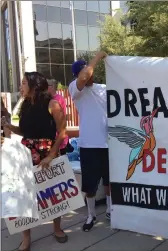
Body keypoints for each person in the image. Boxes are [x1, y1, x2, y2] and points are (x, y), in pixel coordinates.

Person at [2, 72, 68, 251]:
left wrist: (51, 155)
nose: (20, 86)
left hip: (47, 153)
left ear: (34, 85)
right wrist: (10, 127)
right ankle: (26, 238)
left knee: (53, 194)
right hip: (26, 154)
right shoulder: (25, 105)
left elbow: (62, 132)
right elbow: (25, 132)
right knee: (23, 196)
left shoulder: (52, 104)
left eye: (23, 83)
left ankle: (57, 228)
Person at [68, 51, 110, 232]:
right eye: (84, 70)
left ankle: (110, 209)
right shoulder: (75, 88)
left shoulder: (104, 88)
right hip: (88, 145)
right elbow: (85, 76)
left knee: (109, 181)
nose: (88, 73)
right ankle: (91, 214)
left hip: (108, 143)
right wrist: (99, 56)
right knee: (90, 185)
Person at [47, 77, 70, 155]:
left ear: (53, 87)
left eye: (47, 85)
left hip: (59, 138)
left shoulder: (58, 99)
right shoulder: (46, 99)